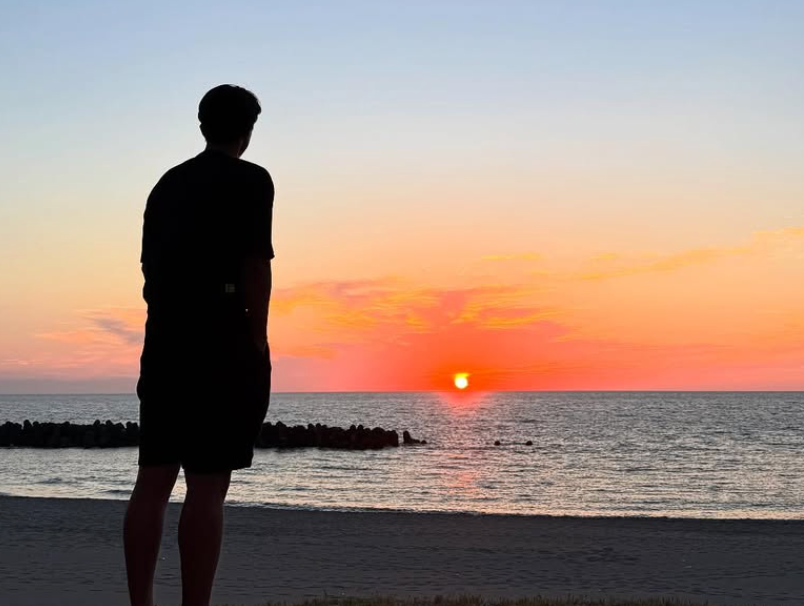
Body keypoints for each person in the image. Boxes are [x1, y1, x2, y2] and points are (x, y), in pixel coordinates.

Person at [124, 84, 274, 606]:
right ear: (246, 131)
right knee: (208, 485)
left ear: (202, 124)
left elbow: (148, 270)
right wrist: (257, 339)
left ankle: (139, 600)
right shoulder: (251, 181)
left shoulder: (166, 185)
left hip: (165, 337)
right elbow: (256, 266)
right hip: (222, 340)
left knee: (154, 478)